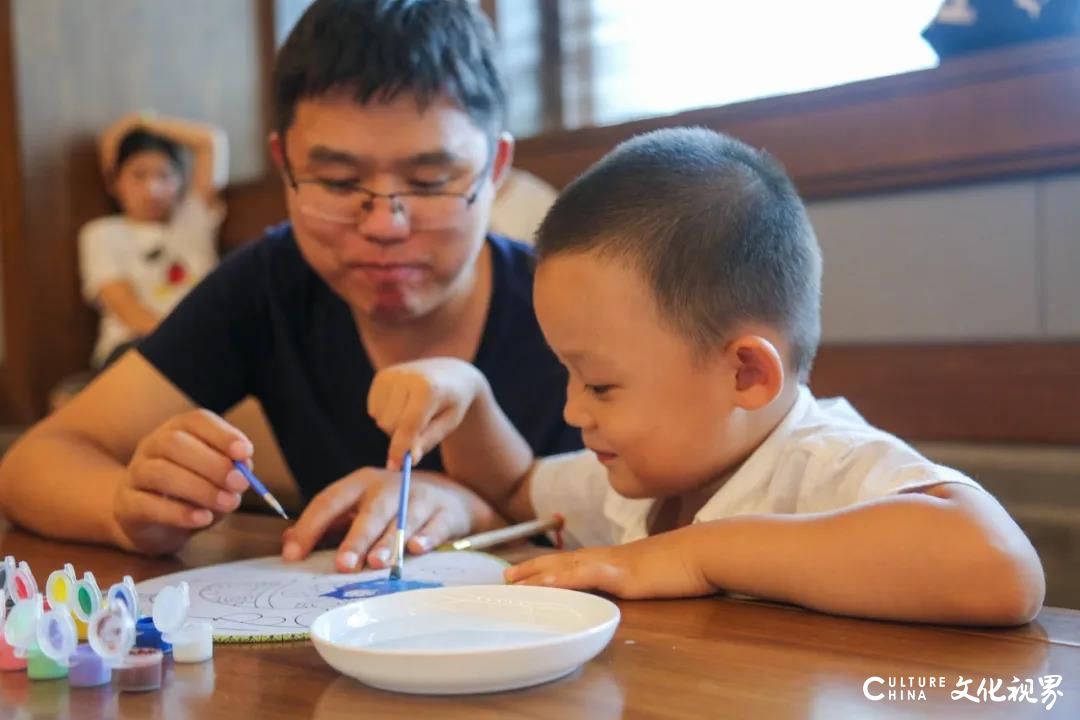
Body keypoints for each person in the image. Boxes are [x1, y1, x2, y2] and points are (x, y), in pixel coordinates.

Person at [366, 127, 1045, 625]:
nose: (574, 409)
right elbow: (515, 489)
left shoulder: (822, 465)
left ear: (745, 374)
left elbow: (1000, 568)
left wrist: (693, 556)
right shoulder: (639, 479)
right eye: (568, 376)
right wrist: (469, 394)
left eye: (599, 385)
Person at [0, 0, 579, 569]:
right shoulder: (269, 285)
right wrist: (125, 506)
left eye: (430, 182)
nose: (383, 224)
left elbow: (651, 519)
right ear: (285, 166)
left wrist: (481, 512)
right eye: (336, 180)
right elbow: (32, 465)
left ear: (496, 168)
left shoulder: (570, 299)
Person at [80, 113, 228, 368]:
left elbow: (210, 143)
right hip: (133, 350)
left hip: (201, 348)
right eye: (139, 175)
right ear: (115, 182)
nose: (153, 189)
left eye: (164, 176)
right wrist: (193, 342)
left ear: (180, 180)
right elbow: (130, 313)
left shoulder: (192, 221)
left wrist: (141, 122)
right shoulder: (102, 233)